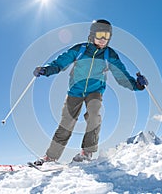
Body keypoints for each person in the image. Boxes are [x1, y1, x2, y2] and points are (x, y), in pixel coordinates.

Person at [33, 19, 148, 165]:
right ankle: (51, 157)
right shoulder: (80, 50)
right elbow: (60, 63)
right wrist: (46, 69)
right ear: (92, 34)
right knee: (67, 122)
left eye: (106, 36)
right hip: (75, 90)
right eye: (100, 35)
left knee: (94, 115)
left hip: (95, 91)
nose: (102, 39)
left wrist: (137, 85)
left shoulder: (109, 55)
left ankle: (87, 153)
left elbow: (121, 76)